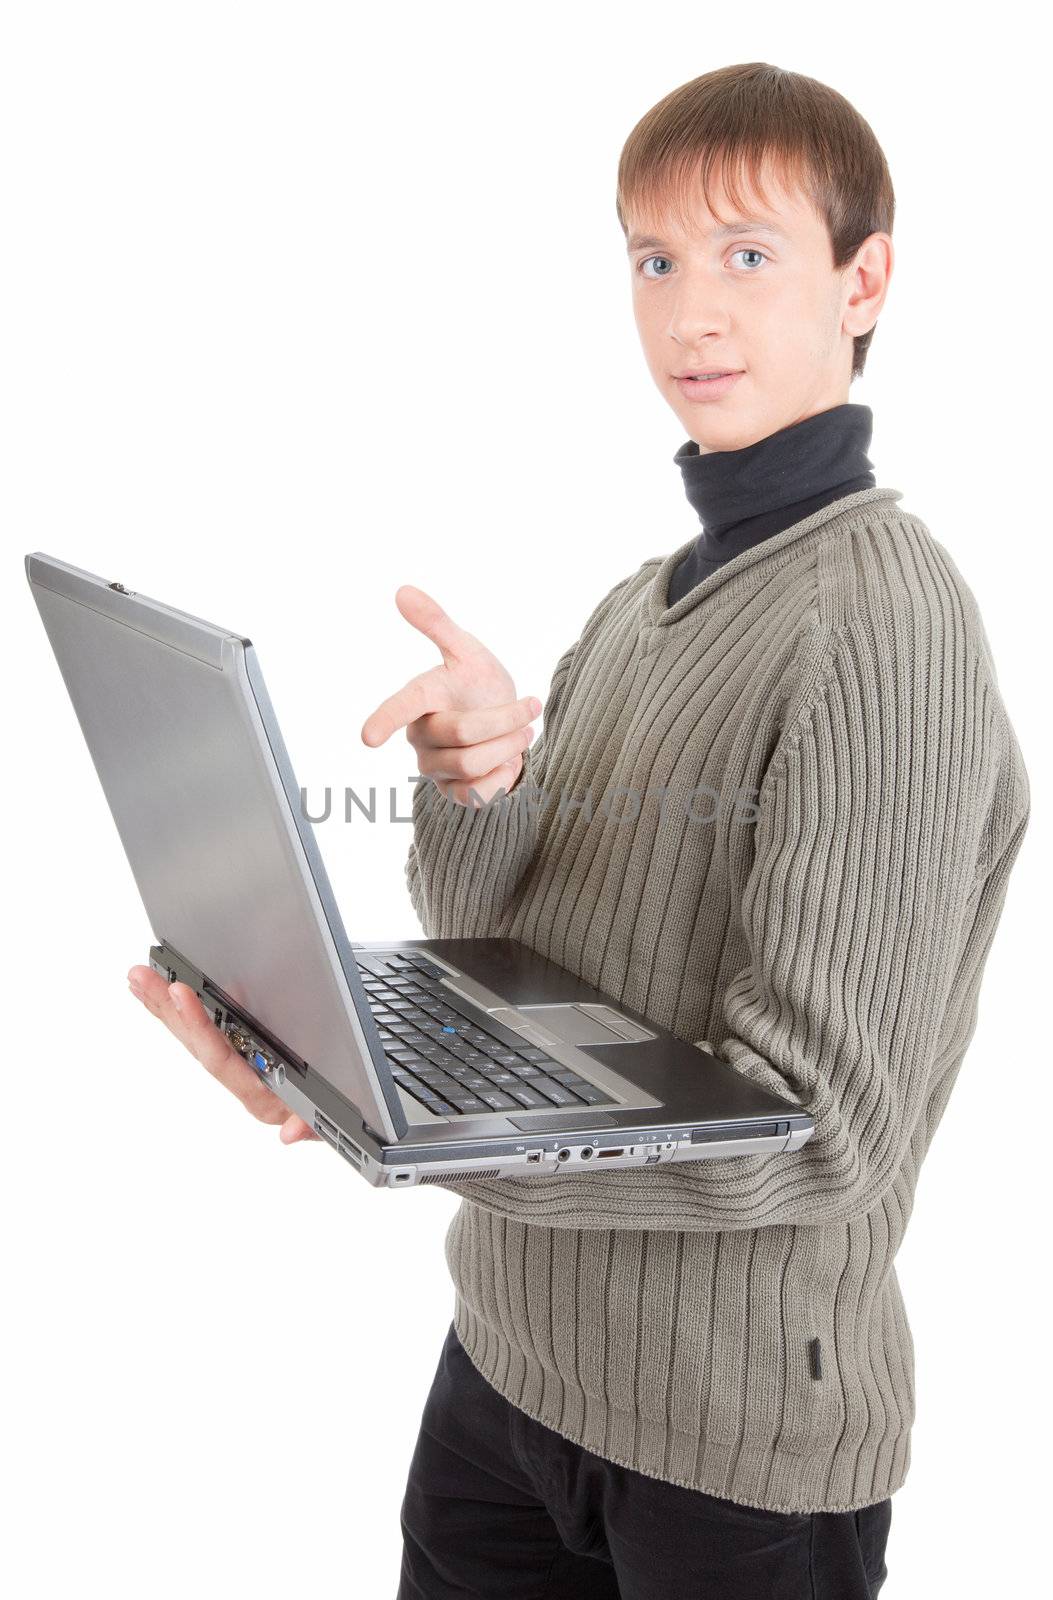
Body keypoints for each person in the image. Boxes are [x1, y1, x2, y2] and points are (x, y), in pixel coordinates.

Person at [127, 62, 1031, 1599]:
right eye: (653, 258)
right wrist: (485, 788)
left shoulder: (879, 624)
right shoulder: (641, 601)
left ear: (860, 279)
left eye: (748, 256)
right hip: (507, 1366)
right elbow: (526, 961)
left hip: (725, 1456)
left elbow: (813, 1124)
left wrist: (414, 1128)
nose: (691, 312)